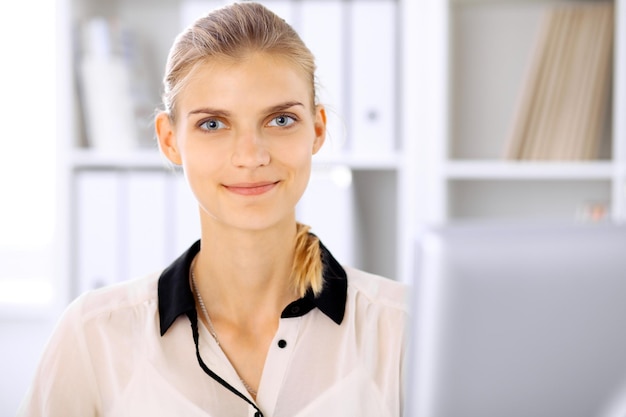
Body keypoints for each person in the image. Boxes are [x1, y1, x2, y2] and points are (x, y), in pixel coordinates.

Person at [18, 2, 409, 416]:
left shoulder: (404, 329)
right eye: (212, 124)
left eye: (280, 120)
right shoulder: (93, 335)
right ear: (170, 140)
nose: (250, 156)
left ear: (316, 129)